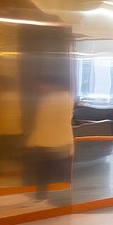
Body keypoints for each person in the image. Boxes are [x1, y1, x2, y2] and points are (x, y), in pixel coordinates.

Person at [24, 76, 74, 204]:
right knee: (46, 170)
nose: (39, 88)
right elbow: (41, 123)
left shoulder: (58, 98)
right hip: (50, 141)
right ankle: (42, 195)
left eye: (41, 84)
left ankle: (46, 196)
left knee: (51, 170)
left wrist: (32, 141)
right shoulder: (58, 98)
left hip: (55, 142)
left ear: (51, 84)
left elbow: (45, 122)